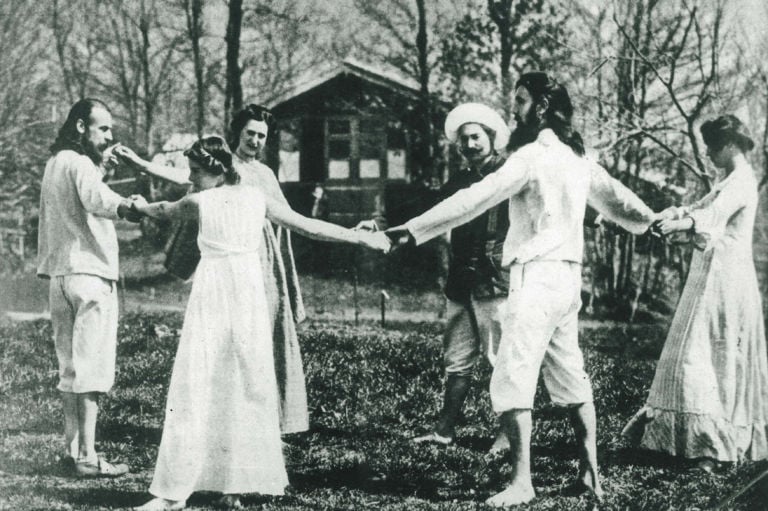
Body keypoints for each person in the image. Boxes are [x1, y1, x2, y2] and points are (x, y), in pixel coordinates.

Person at [386, 72, 657, 506]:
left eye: (523, 101)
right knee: (571, 378)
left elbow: (476, 197)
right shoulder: (578, 158)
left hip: (534, 278)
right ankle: (591, 476)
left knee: (512, 377)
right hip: (569, 282)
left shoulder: (530, 157)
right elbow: (620, 200)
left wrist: (413, 230)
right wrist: (653, 223)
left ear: (543, 108)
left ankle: (522, 483)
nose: (516, 110)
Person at [133, 136, 389, 510]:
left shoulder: (203, 201)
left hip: (225, 292)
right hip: (237, 293)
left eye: (196, 172)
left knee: (220, 383)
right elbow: (309, 227)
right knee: (229, 382)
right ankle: (198, 491)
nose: (191, 178)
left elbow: (162, 209)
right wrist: (357, 238)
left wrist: (136, 206)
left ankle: (217, 489)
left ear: (217, 171)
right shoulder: (248, 198)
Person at [116, 104, 310, 435]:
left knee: (271, 333)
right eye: (250, 133)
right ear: (238, 133)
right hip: (237, 260)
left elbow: (292, 218)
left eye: (262, 135)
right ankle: (231, 423)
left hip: (269, 262)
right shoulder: (225, 166)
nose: (255, 140)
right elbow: (186, 178)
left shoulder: (265, 174)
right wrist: (142, 164)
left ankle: (275, 420)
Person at [361, 103, 512, 450]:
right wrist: (385, 223)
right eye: (463, 141)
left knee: (500, 359)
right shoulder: (459, 181)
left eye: (475, 137)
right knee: (456, 359)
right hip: (461, 282)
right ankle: (444, 430)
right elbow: (427, 209)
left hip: (496, 281)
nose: (470, 145)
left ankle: (507, 435)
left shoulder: (510, 175)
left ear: (491, 138)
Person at [622, 115, 768, 471]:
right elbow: (701, 208)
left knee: (709, 352)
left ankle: (712, 445)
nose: (707, 153)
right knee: (692, 348)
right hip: (710, 272)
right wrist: (675, 215)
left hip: (727, 279)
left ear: (730, 144)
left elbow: (713, 217)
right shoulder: (726, 180)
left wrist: (683, 223)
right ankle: (686, 439)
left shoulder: (743, 182)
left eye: (712, 147)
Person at [37, 98, 144, 478]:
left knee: (69, 367)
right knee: (92, 369)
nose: (109, 137)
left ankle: (71, 450)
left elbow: (78, 202)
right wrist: (134, 206)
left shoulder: (56, 163)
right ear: (81, 126)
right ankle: (87, 456)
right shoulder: (80, 163)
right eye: (103, 129)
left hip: (61, 276)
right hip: (90, 276)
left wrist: (101, 170)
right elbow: (98, 201)